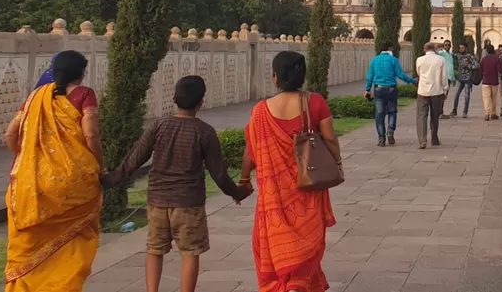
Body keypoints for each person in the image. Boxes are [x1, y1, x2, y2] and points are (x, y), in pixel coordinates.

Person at [103, 76, 251, 292]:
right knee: (190, 253)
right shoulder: (204, 131)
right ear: (201, 102)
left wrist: (107, 181)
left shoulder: (158, 126)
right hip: (189, 204)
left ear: (174, 98)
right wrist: (238, 193)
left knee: (154, 249)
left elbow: (133, 161)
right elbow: (219, 174)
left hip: (157, 202)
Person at [3, 50, 102, 292]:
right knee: (74, 241)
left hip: (31, 186)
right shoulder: (84, 95)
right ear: (81, 73)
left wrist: (26, 157)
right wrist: (99, 163)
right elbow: (90, 134)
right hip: (73, 183)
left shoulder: (35, 97)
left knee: (29, 247)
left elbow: (10, 134)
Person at [241, 52, 340, 292]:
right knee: (307, 241)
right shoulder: (315, 102)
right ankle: (297, 284)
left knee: (274, 243)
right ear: (302, 76)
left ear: (275, 78)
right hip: (307, 188)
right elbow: (330, 139)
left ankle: (285, 284)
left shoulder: (260, 111)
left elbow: (251, 152)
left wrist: (244, 180)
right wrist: (335, 163)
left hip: (274, 196)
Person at [364, 45, 416, 146]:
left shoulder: (374, 60)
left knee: (379, 114)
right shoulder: (393, 60)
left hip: (379, 89)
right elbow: (401, 75)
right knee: (392, 111)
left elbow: (370, 76)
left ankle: (381, 138)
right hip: (391, 89)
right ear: (391, 49)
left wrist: (367, 89)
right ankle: (390, 131)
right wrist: (413, 81)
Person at [415, 43, 448, 148]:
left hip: (423, 91)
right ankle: (434, 138)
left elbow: (419, 73)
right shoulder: (440, 59)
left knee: (421, 116)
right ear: (435, 49)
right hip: (436, 91)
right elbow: (443, 77)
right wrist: (445, 89)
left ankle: (422, 140)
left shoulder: (419, 60)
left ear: (425, 49)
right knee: (435, 116)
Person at [448, 44, 478, 119]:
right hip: (460, 79)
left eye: (462, 48)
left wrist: (469, 66)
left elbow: (477, 65)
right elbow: (450, 55)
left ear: (466, 48)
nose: (461, 49)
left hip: (468, 79)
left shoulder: (469, 56)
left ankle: (465, 112)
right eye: (460, 48)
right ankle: (454, 110)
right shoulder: (458, 56)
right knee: (456, 95)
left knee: (467, 96)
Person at [479, 43, 502, 120]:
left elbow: (481, 69)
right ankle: (493, 113)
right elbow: (500, 70)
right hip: (494, 81)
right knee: (494, 98)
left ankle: (486, 113)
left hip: (485, 81)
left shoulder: (483, 59)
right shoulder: (496, 59)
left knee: (486, 98)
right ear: (493, 51)